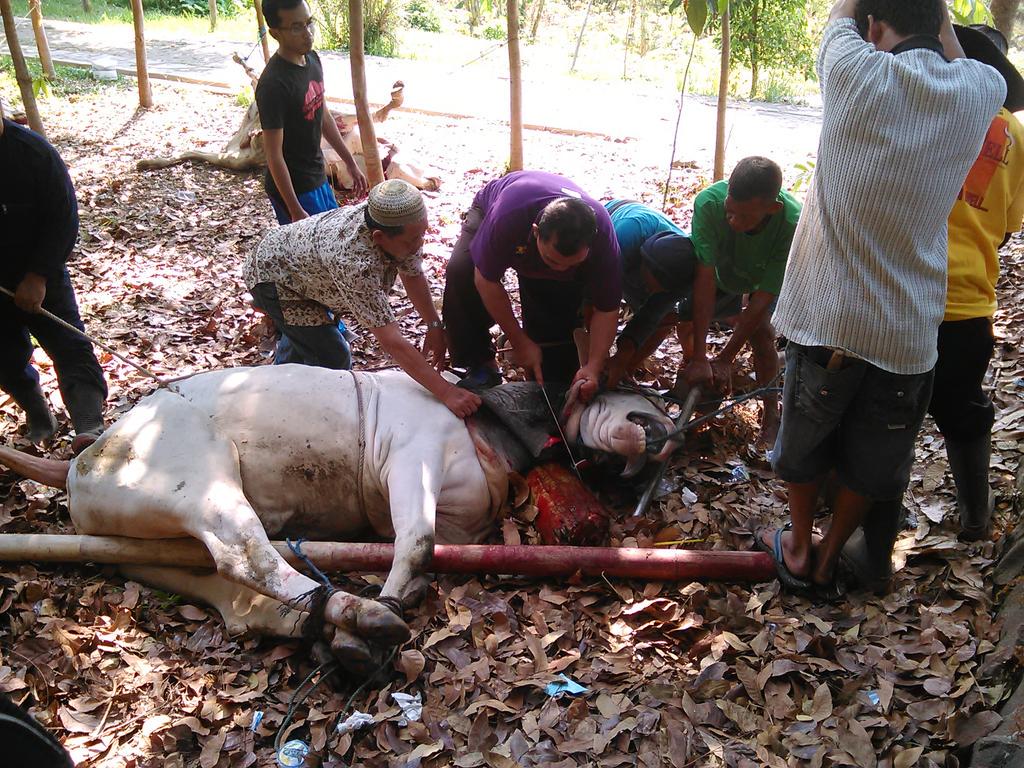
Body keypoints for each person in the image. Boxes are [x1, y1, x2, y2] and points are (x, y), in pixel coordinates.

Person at [761, 0, 1005, 595]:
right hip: (908, 328)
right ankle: (830, 557)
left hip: (829, 319)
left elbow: (840, 16)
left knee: (804, 443)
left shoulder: (853, 71)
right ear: (939, 22)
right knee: (875, 462)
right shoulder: (981, 88)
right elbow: (953, 49)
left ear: (873, 27)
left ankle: (798, 545)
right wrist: (940, 18)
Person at [842, 23, 1024, 591]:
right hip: (969, 300)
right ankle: (976, 514)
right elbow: (1009, 225)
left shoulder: (918, 106)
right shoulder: (1015, 134)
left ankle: (873, 556)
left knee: (886, 424)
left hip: (901, 295)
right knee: (961, 408)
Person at [243, 179, 481, 418]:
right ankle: (317, 418)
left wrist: (434, 324)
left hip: (304, 271)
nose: (419, 245)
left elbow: (412, 272)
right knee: (331, 356)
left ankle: (274, 391)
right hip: (273, 276)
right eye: (412, 241)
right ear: (378, 237)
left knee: (303, 338)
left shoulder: (401, 228)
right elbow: (390, 340)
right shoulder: (355, 263)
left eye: (422, 234)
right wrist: (447, 393)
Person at [441, 171, 621, 401]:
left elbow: (607, 308)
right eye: (553, 261)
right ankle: (480, 364)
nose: (560, 270)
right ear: (536, 232)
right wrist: (518, 340)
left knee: (554, 323)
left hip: (537, 248)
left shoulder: (603, 236)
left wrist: (594, 366)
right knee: (462, 270)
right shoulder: (510, 215)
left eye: (571, 264)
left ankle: (549, 380)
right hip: (495, 211)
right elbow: (485, 279)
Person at [0, 102, 107, 454]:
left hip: (40, 270)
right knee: (5, 356)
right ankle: (38, 414)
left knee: (70, 346)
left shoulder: (34, 154)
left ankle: (89, 424)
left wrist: (38, 275)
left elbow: (63, 218)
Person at [674, 157, 800, 444]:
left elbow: (762, 298)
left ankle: (771, 414)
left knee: (762, 335)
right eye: (730, 212)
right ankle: (696, 376)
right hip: (721, 272)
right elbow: (704, 280)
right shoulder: (708, 204)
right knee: (686, 325)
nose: (732, 221)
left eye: (744, 217)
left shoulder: (791, 223)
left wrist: (726, 359)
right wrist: (700, 358)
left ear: (772, 209)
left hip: (759, 277)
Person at [257, 0, 367, 227]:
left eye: (309, 23)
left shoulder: (313, 60)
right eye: (297, 27)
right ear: (275, 33)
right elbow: (274, 155)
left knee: (333, 241)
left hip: (317, 176)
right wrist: (294, 209)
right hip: (294, 188)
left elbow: (323, 115)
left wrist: (350, 163)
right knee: (312, 256)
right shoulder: (273, 84)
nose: (308, 34)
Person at [603, 200, 693, 388]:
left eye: (659, 290)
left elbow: (651, 317)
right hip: (615, 228)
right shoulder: (624, 237)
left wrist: (622, 358)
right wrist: (598, 359)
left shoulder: (683, 272)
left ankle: (625, 372)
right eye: (652, 286)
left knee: (665, 317)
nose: (652, 293)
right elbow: (597, 301)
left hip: (651, 266)